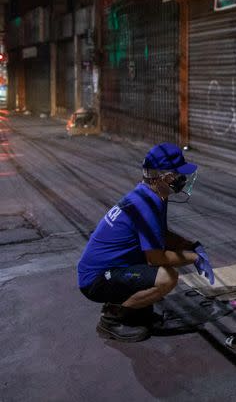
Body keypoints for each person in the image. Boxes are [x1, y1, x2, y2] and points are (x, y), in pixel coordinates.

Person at [77, 143, 214, 342]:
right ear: (166, 177)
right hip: (96, 279)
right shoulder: (146, 204)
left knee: (153, 275)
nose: (183, 180)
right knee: (167, 277)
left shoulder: (153, 195)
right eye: (179, 175)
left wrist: (192, 245)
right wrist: (194, 258)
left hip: (115, 268)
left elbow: (161, 235)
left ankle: (135, 312)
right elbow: (156, 258)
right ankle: (112, 318)